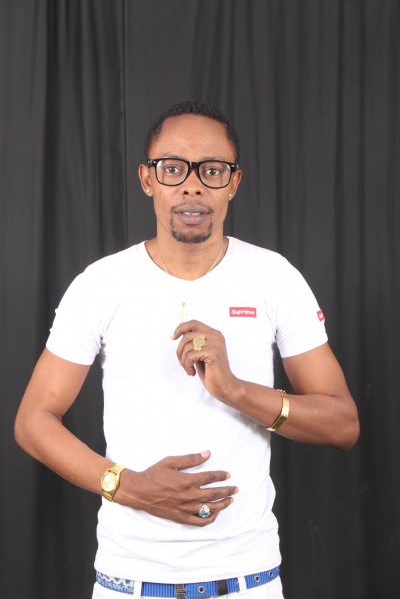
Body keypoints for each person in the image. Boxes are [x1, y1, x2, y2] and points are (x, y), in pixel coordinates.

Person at [15, 100, 359, 599]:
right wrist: (127, 486)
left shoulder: (274, 277)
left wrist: (236, 390)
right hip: (128, 582)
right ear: (147, 179)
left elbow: (342, 424)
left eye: (212, 170)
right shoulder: (101, 284)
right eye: (173, 168)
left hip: (248, 581)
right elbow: (33, 421)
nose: (192, 186)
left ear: (234, 183)